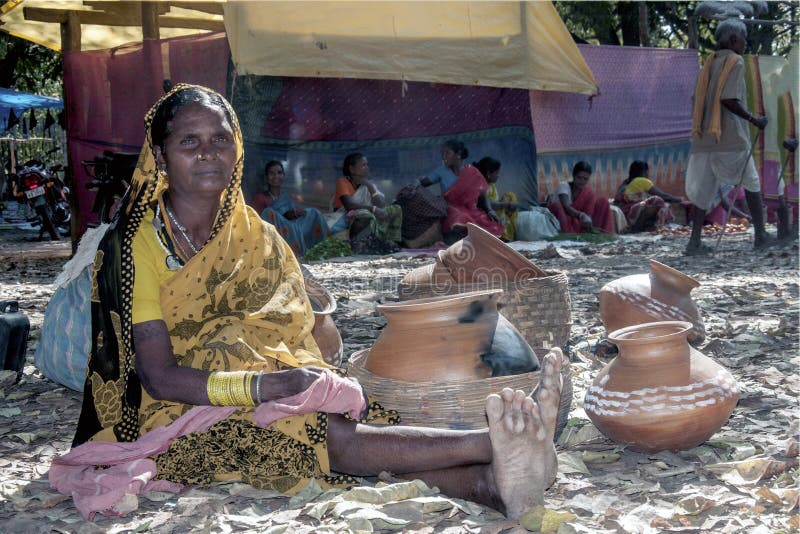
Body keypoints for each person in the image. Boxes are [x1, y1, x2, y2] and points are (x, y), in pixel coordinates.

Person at [50, 85, 565, 521]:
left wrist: (299, 378)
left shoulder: (257, 236)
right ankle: (492, 442)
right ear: (160, 156)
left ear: (237, 151)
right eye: (189, 141)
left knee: (339, 424)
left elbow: (303, 332)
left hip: (266, 384)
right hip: (174, 410)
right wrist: (272, 385)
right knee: (315, 434)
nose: (207, 153)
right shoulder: (135, 244)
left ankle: (489, 486)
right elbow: (158, 375)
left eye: (220, 140)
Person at [684, 18, 772, 255]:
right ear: (733, 40)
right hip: (729, 137)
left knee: (703, 191)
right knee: (752, 183)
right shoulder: (736, 62)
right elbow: (728, 99)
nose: (745, 44)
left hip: (703, 138)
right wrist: (754, 119)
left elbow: (696, 100)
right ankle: (761, 236)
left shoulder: (708, 63)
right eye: (744, 39)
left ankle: (694, 242)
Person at [420, 139, 503, 242]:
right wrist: (415, 184)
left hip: (472, 211)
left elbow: (483, 195)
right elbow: (422, 183)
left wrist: (490, 210)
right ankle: (464, 239)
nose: (443, 156)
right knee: (460, 219)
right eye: (443, 153)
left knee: (491, 223)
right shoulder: (441, 171)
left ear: (458, 154)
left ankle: (473, 240)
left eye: (447, 153)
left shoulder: (473, 172)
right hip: (451, 209)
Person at [251, 160, 329, 256]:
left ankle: (322, 247)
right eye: (272, 173)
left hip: (292, 227)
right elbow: (259, 221)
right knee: (268, 212)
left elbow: (289, 217)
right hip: (276, 233)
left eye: (279, 173)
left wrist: (295, 214)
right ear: (266, 178)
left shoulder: (287, 197)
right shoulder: (260, 198)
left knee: (313, 212)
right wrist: (279, 217)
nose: (276, 176)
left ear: (283, 176)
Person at [333, 153, 402, 248]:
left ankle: (389, 242)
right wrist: (373, 209)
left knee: (396, 209)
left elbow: (381, 205)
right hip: (344, 216)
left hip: (368, 213)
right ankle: (353, 242)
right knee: (365, 214)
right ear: (352, 169)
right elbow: (349, 205)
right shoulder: (343, 182)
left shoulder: (368, 185)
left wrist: (370, 187)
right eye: (363, 165)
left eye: (367, 164)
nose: (367, 168)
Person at [614, 160, 683, 233]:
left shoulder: (626, 181)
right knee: (657, 200)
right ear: (644, 171)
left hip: (623, 212)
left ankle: (641, 227)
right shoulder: (642, 181)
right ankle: (638, 228)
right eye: (647, 171)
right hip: (630, 212)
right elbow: (663, 196)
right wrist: (679, 199)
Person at [546, 161, 614, 234]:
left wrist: (586, 220)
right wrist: (581, 215)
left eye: (585, 179)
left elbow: (588, 214)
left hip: (578, 223)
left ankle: (601, 233)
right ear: (573, 176)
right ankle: (569, 234)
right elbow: (566, 207)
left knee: (603, 202)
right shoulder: (563, 186)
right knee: (558, 207)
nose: (582, 181)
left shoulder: (588, 193)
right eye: (579, 177)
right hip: (561, 220)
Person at [476, 156, 519, 241]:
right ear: (488, 174)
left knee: (510, 196)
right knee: (506, 204)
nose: (498, 176)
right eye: (497, 173)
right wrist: (506, 204)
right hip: (487, 214)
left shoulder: (491, 185)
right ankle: (504, 236)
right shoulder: (481, 186)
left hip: (495, 211)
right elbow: (486, 204)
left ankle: (511, 233)